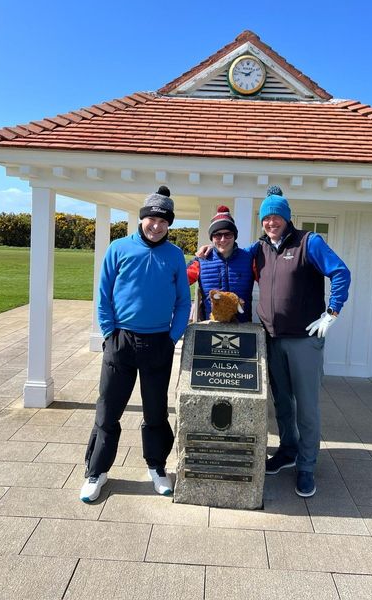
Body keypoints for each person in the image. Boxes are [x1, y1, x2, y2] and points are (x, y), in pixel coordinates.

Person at [80, 186, 191, 502]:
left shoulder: (174, 255)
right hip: (121, 341)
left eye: (163, 221)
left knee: (155, 411)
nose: (156, 226)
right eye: (151, 219)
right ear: (142, 219)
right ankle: (96, 472)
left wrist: (172, 337)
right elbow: (103, 296)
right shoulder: (119, 248)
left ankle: (157, 468)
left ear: (169, 224)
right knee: (108, 410)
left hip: (159, 342)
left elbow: (184, 300)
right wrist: (108, 333)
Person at [256, 185, 350, 497]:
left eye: (276, 217)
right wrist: (209, 252)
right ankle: (288, 450)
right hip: (272, 339)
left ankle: (307, 465)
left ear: (287, 217)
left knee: (306, 406)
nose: (271, 222)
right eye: (266, 218)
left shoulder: (309, 242)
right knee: (282, 401)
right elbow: (232, 259)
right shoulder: (261, 248)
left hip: (303, 340)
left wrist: (331, 313)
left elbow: (340, 273)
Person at [187, 206, 255, 322]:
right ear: (211, 238)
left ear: (234, 236)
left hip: (243, 328)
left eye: (228, 234)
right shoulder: (201, 260)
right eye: (217, 235)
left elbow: (270, 283)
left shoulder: (249, 259)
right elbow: (177, 283)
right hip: (210, 326)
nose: (223, 239)